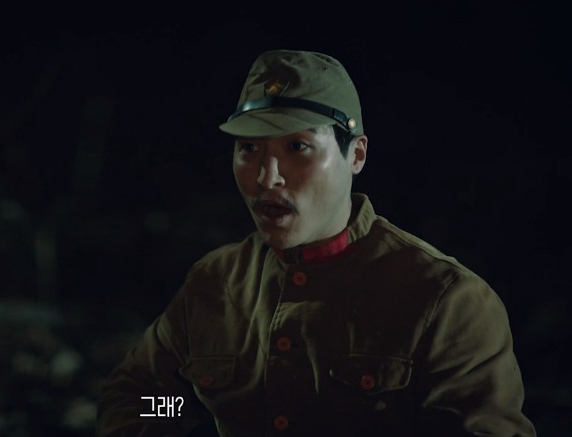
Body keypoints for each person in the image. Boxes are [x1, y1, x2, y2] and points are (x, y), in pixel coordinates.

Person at [95, 49, 535, 436]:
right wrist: (181, 419)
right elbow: (144, 397)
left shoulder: (444, 300)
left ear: (356, 154)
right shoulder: (215, 283)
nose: (267, 177)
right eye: (249, 149)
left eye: (297, 147)